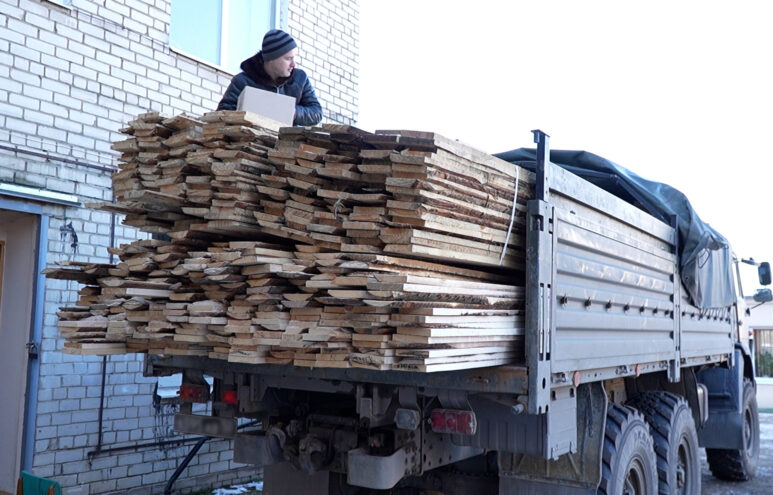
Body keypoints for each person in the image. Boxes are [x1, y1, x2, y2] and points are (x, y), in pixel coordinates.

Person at [217, 29, 323, 126]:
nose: (293, 64)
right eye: (288, 59)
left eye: (293, 58)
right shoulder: (242, 82)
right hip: (249, 143)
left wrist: (293, 112)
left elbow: (317, 112)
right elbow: (221, 115)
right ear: (271, 59)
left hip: (287, 144)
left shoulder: (300, 79)